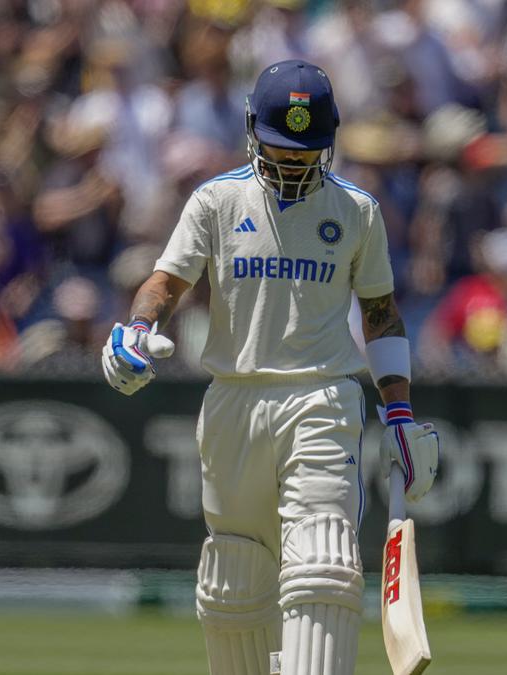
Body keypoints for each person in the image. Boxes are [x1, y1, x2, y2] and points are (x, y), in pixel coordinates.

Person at [100, 60, 440, 675]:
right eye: (281, 149)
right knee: (234, 576)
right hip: (233, 400)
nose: (291, 164)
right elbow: (167, 281)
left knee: (322, 565)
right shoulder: (218, 200)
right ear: (254, 132)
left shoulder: (357, 211)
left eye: (305, 152)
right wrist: (137, 330)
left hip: (322, 399)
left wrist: (400, 416)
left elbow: (382, 316)